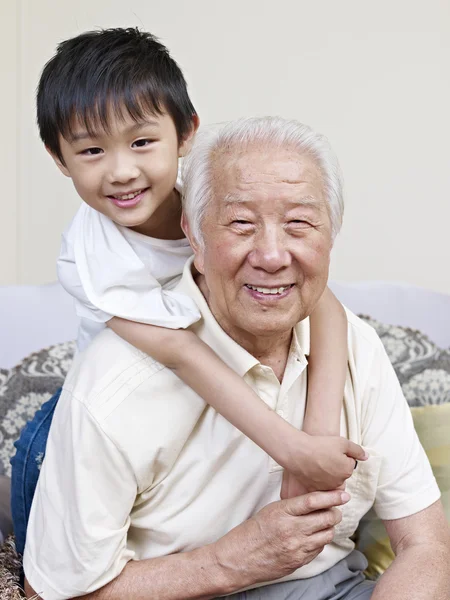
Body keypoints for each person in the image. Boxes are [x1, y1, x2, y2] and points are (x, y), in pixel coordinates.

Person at [23, 116, 450, 599]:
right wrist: (229, 563)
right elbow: (49, 594)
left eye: (299, 224)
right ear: (194, 238)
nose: (271, 255)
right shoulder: (115, 375)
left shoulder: (352, 342)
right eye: (241, 224)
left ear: (332, 234)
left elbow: (426, 543)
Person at [11, 28, 365, 556]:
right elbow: (182, 354)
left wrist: (316, 432)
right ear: (59, 157)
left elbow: (325, 304)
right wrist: (293, 450)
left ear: (186, 132)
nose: (121, 170)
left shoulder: (215, 211)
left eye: (141, 142)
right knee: (46, 553)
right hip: (96, 423)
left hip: (191, 403)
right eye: (90, 150)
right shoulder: (90, 261)